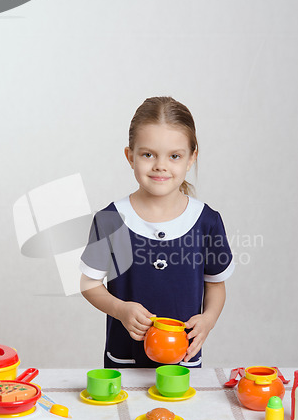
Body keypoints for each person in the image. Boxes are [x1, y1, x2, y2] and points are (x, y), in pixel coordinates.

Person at [80, 96, 234, 368]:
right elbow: (89, 284)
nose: (160, 165)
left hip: (182, 363)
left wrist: (208, 320)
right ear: (130, 156)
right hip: (124, 360)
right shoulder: (109, 219)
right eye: (148, 154)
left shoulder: (207, 221)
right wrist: (120, 309)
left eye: (174, 156)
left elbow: (216, 285)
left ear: (191, 159)